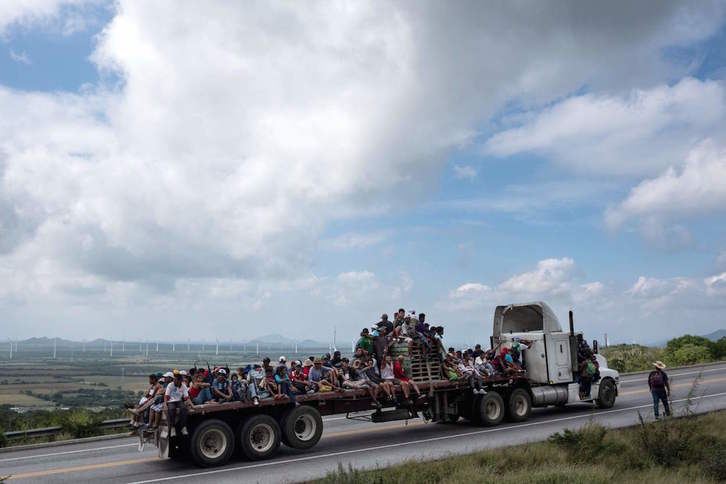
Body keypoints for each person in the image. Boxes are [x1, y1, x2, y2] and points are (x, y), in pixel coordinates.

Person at [163, 372, 193, 438]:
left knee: (184, 408)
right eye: (174, 379)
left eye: (176, 380)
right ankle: (172, 427)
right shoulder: (170, 385)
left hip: (178, 401)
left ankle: (183, 427)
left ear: (180, 381)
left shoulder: (183, 386)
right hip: (171, 401)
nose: (174, 381)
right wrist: (165, 404)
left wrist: (192, 405)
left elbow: (186, 397)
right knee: (171, 409)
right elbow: (166, 396)